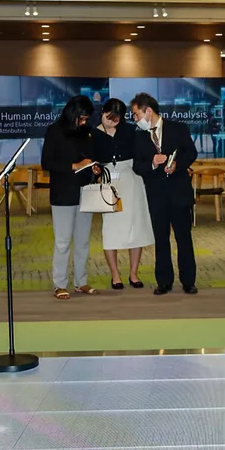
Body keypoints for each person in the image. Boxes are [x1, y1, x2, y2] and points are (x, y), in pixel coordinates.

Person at [131, 92, 199, 295]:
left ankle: (188, 281)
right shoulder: (139, 135)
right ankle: (164, 281)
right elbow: (137, 165)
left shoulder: (178, 128)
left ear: (148, 111)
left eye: (136, 114)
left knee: (184, 237)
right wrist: (152, 163)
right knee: (161, 239)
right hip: (156, 194)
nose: (134, 119)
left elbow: (191, 152)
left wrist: (177, 165)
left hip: (179, 192)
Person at [41, 95, 101, 300]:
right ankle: (60, 284)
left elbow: (92, 157)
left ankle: (81, 282)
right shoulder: (54, 131)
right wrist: (73, 166)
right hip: (62, 193)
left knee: (83, 241)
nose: (84, 122)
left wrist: (93, 168)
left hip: (85, 191)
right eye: (81, 118)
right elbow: (46, 163)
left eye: (86, 118)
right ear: (72, 113)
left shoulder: (87, 133)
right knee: (63, 241)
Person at [94, 98, 154, 290]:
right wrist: (94, 171)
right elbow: (88, 158)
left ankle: (134, 273)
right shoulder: (93, 133)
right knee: (110, 229)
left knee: (135, 227)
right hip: (108, 181)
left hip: (131, 178)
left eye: (116, 119)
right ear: (102, 112)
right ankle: (115, 275)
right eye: (108, 117)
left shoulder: (131, 130)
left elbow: (144, 150)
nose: (111, 122)